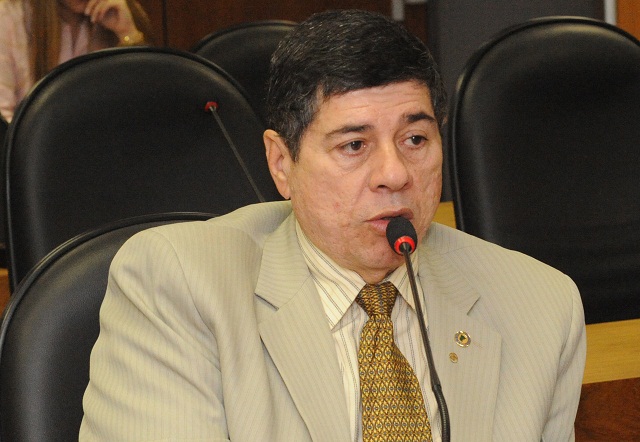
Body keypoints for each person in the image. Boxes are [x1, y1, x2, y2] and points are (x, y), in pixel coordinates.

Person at [80, 9, 586, 441]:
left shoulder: (540, 308)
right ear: (282, 164)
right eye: (354, 145)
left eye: (415, 140)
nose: (394, 175)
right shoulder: (180, 286)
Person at [0, 0, 153, 122]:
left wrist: (128, 33)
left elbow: (148, 108)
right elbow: (4, 121)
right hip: (37, 149)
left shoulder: (117, 11)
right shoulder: (9, 16)